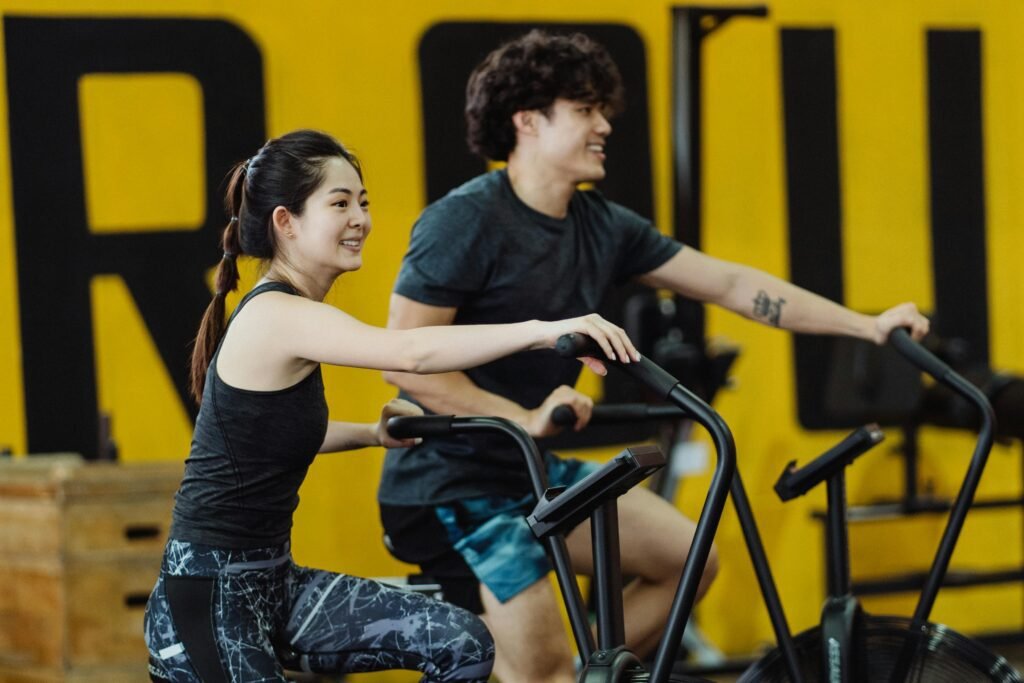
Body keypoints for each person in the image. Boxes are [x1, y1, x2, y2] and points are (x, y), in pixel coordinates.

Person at [377, 30, 931, 683]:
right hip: (450, 481)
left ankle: (580, 672)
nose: (604, 125)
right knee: (544, 675)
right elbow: (403, 358)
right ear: (527, 121)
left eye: (600, 110)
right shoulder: (465, 221)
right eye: (584, 110)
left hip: (525, 469)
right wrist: (520, 417)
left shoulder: (602, 225)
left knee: (690, 555)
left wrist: (865, 326)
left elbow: (730, 285)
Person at [142, 129, 641, 683]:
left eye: (363, 202)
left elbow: (265, 437)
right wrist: (546, 331)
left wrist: (372, 434)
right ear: (286, 222)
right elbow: (412, 350)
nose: (359, 219)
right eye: (339, 203)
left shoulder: (292, 316)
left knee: (461, 643)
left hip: (273, 584)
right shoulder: (275, 315)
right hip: (207, 599)